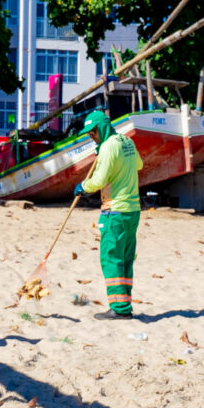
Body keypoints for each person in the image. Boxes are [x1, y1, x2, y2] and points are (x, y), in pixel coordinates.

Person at [73, 110, 143, 320]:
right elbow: (139, 164)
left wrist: (83, 186)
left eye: (92, 132)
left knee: (111, 259)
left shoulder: (108, 147)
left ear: (101, 128)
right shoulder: (126, 141)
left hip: (115, 211)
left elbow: (99, 181)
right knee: (125, 259)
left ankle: (119, 308)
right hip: (133, 210)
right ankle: (125, 304)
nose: (91, 137)